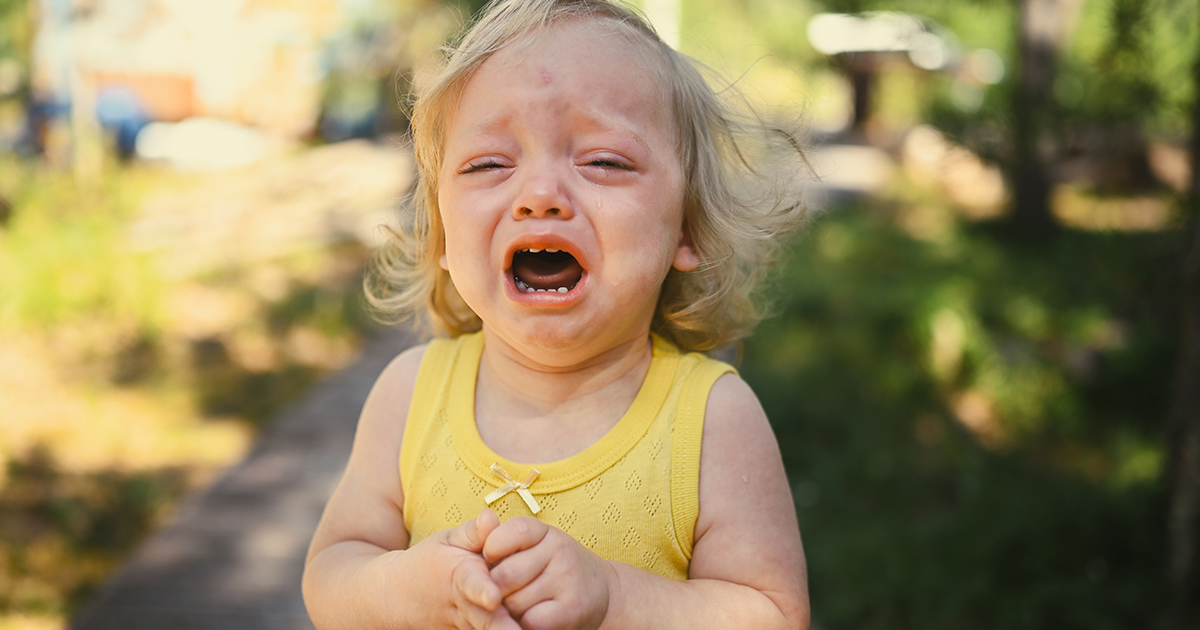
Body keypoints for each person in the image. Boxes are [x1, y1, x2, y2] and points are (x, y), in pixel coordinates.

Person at [303, 0, 811, 628]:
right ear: (440, 233)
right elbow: (331, 574)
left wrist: (615, 597)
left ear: (687, 225)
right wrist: (402, 587)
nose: (540, 196)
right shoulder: (408, 397)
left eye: (603, 161)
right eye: (489, 163)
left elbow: (771, 614)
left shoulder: (711, 421)